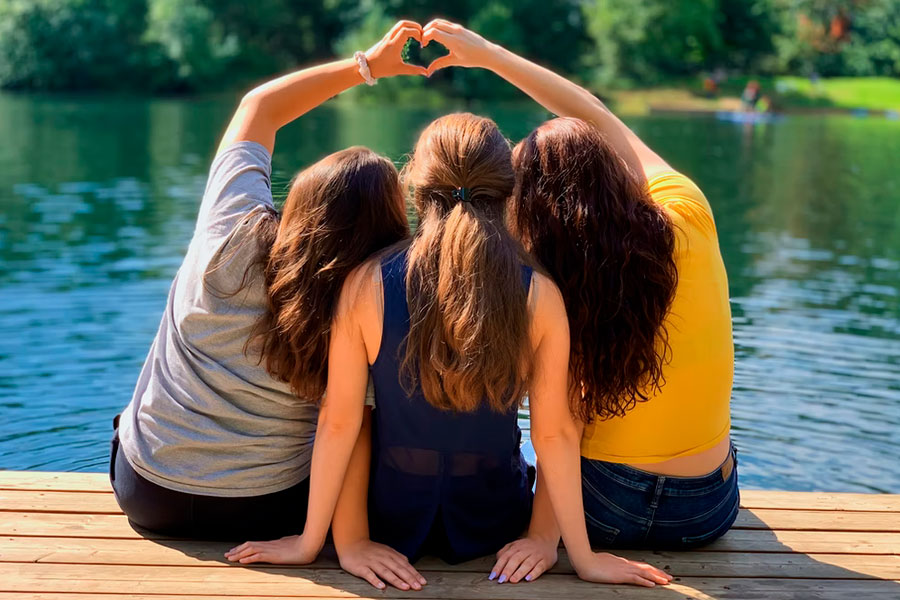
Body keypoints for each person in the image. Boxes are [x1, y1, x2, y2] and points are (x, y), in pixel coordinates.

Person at [225, 100, 670, 590]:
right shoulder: (540, 294)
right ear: (507, 190)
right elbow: (555, 435)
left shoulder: (364, 284)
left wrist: (319, 542)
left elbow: (339, 422)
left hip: (389, 519)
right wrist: (570, 552)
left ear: (417, 187)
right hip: (494, 522)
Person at [417, 21, 738, 582]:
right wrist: (490, 55)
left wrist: (545, 535)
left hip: (600, 510)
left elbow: (557, 427)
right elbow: (592, 111)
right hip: (706, 511)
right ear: (615, 175)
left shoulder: (551, 285)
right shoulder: (688, 212)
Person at [110, 21, 424, 544]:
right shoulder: (372, 297)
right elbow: (350, 428)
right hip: (269, 510)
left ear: (300, 199)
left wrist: (366, 64)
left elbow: (258, 107)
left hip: (149, 494)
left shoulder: (228, 230)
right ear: (388, 231)